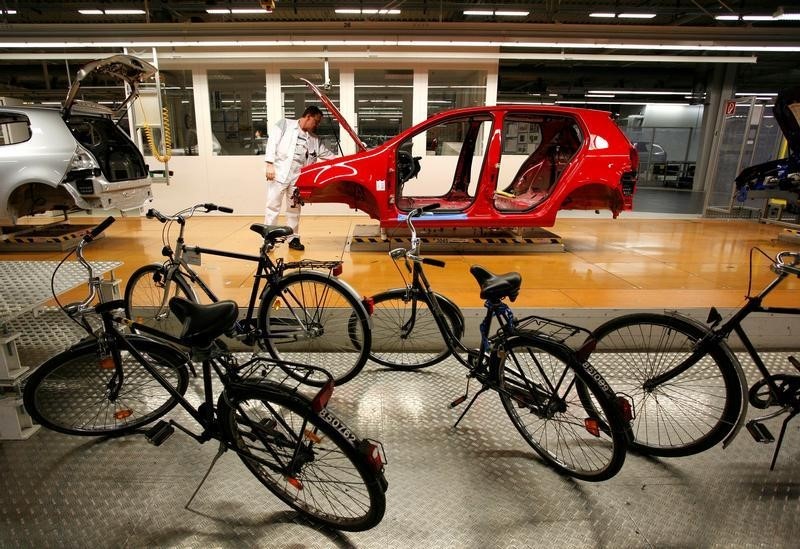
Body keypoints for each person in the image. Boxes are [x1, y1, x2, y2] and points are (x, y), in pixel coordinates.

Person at [263, 106, 336, 251]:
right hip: (279, 174)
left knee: (294, 209)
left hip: (297, 179)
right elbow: (272, 143)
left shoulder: (314, 139)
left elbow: (330, 156)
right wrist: (269, 164)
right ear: (308, 116)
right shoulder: (284, 124)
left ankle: (293, 238)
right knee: (273, 208)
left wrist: (352, 158)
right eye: (316, 121)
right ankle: (268, 240)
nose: (317, 125)